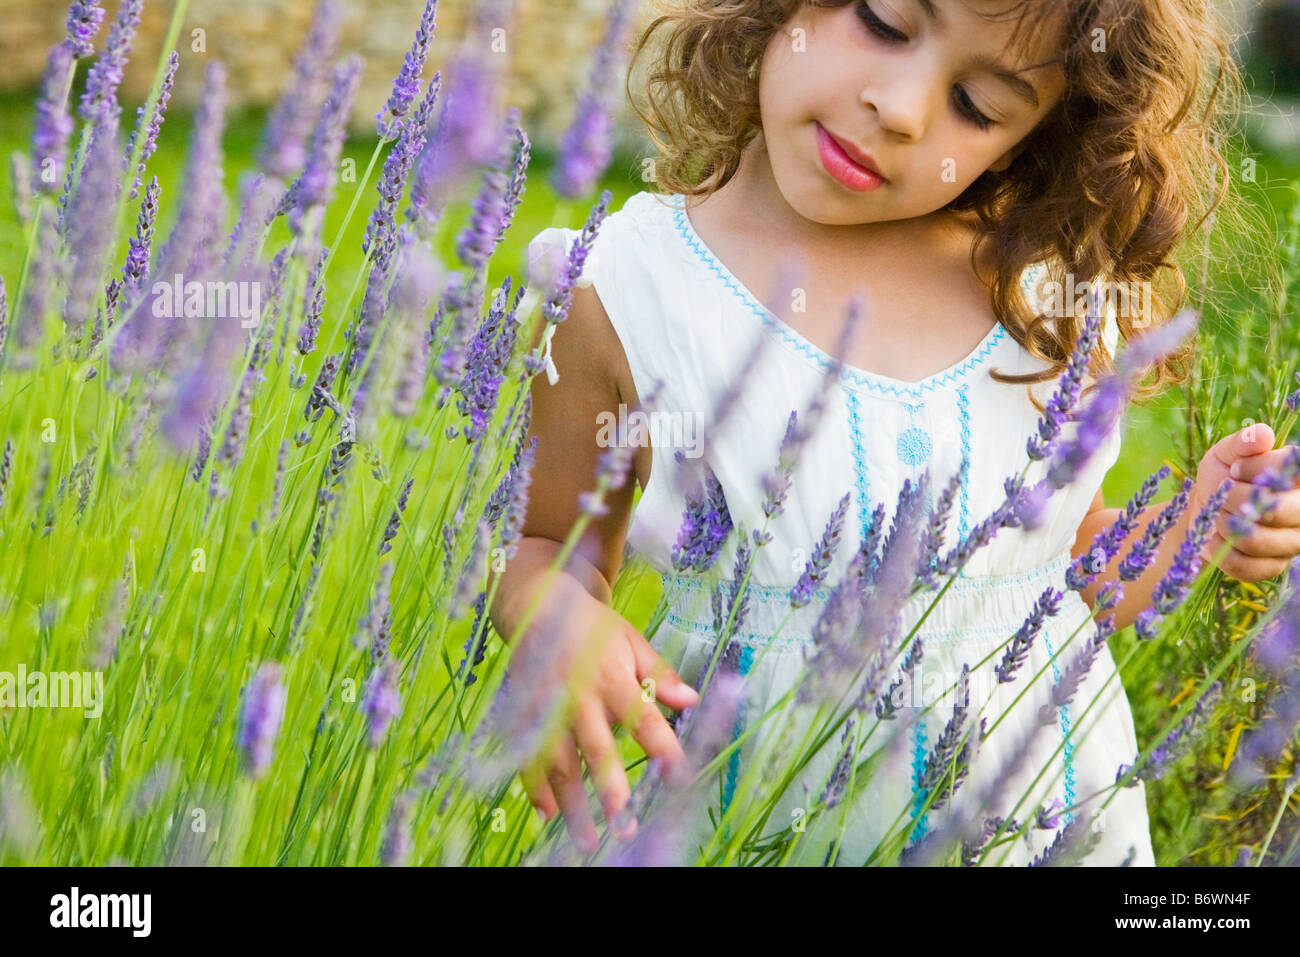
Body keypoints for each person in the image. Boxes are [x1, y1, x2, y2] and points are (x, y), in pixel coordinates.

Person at [488, 0, 1300, 865]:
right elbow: (550, 540)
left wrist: (1193, 528)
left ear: (1038, 137)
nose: (903, 110)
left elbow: (1068, 565)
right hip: (737, 821)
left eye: (978, 105)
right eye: (881, 20)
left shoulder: (1041, 298)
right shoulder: (623, 284)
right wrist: (554, 617)